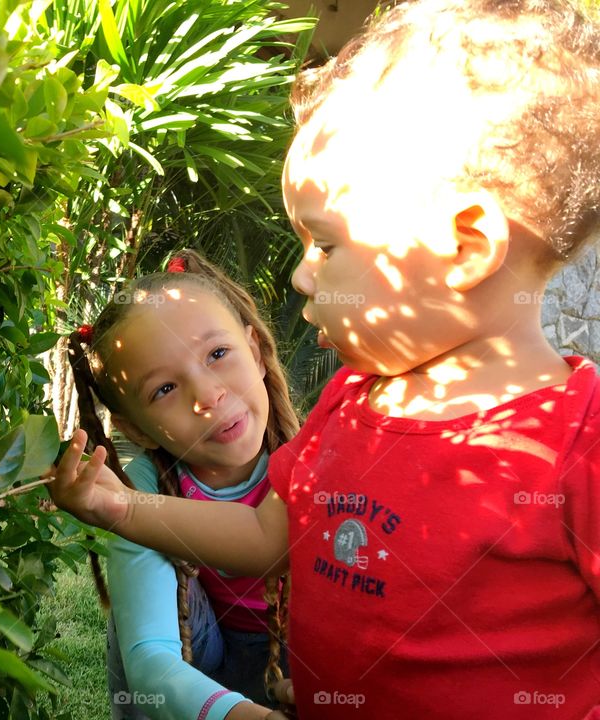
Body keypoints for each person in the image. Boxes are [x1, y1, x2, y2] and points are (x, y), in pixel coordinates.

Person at [50, 1, 600, 718]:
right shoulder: (349, 402)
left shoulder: (578, 448)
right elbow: (266, 536)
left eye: (327, 245)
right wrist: (119, 506)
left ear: (465, 248)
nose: (301, 276)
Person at [63, 250, 300, 720]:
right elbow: (151, 659)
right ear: (139, 429)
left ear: (254, 352)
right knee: (140, 543)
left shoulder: (312, 456)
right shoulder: (144, 487)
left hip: (300, 654)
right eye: (165, 389)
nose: (208, 396)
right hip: (198, 664)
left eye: (218, 354)